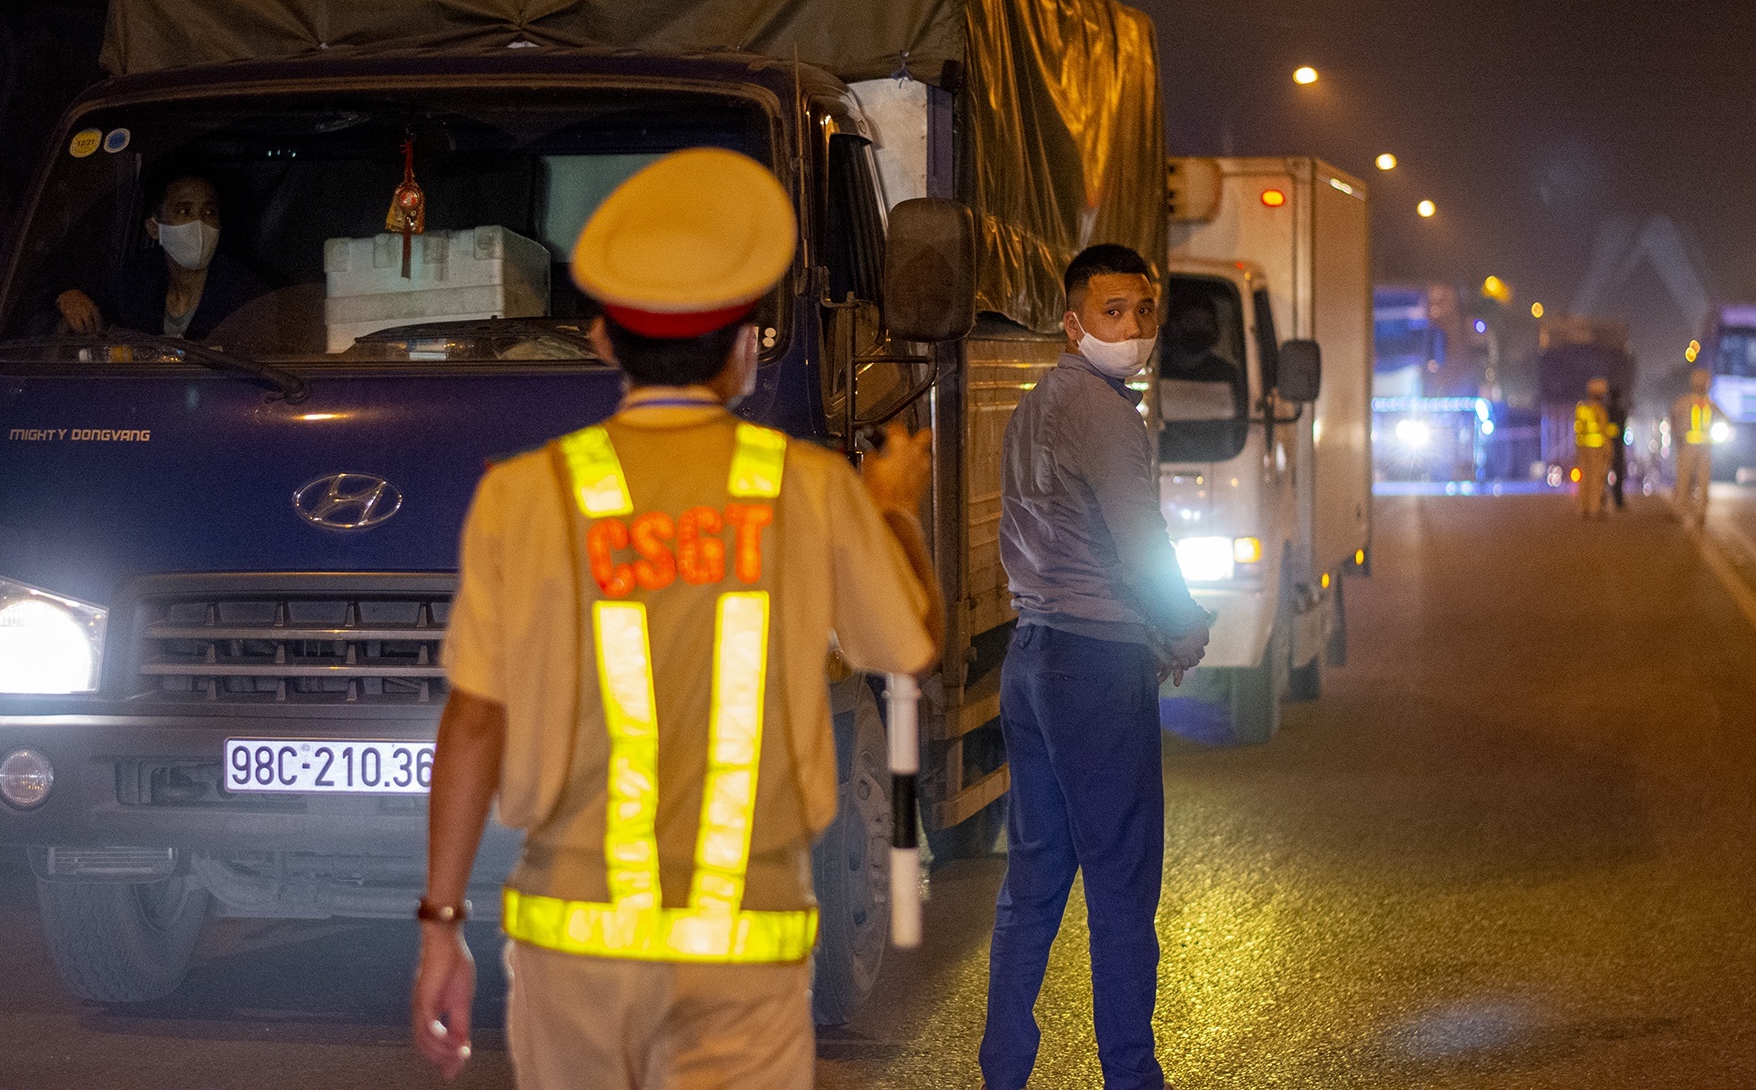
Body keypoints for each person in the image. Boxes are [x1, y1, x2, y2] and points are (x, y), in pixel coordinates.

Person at [409, 147, 941, 1089]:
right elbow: (908, 645)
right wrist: (893, 506)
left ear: (605, 340)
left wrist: (441, 924)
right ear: (745, 347)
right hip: (744, 945)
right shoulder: (809, 488)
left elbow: (476, 715)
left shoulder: (523, 494)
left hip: (571, 945)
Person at [981, 243, 1210, 1090]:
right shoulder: (1108, 416)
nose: (1135, 328)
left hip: (1031, 658)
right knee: (1120, 885)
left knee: (1034, 879)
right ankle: (1132, 1075)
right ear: (1073, 322)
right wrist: (1182, 627)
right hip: (1095, 670)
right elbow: (1140, 542)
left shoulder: (1034, 407)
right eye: (1115, 312)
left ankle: (1003, 1068)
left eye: (1146, 310)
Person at [55, 175, 266, 340]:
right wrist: (66, 295)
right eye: (184, 211)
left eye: (210, 212)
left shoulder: (246, 293)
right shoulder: (136, 277)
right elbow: (88, 299)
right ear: (154, 228)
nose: (199, 223)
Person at [1673, 368, 1723, 525]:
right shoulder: (1686, 402)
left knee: (1700, 480)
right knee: (1685, 479)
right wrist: (1678, 436)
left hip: (1703, 447)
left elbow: (1724, 419)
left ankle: (1698, 512)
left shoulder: (1709, 404)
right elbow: (1674, 417)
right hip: (1691, 446)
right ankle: (1681, 510)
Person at [1574, 378, 1612, 519]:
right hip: (1597, 449)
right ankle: (1594, 508)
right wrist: (1608, 450)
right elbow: (1603, 431)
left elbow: (1577, 428)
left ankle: (1582, 507)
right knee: (1596, 479)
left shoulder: (1581, 408)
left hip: (1582, 448)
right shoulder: (1599, 410)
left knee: (1584, 479)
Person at [1606, 385, 1630, 510]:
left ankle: (1601, 500)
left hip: (1606, 445)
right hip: (1617, 445)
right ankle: (1618, 501)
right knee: (1618, 474)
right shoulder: (1620, 411)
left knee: (1603, 474)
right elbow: (1622, 429)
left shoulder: (1605, 410)